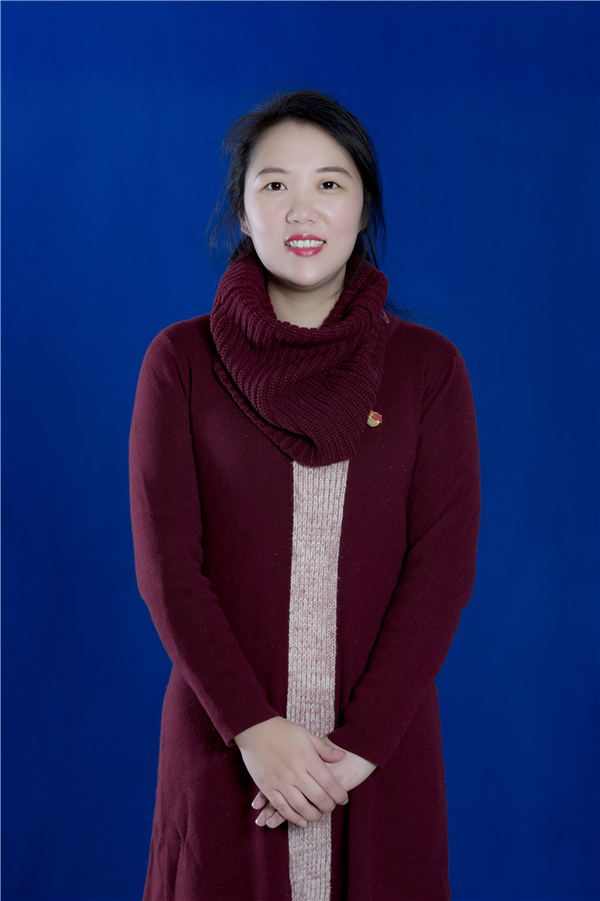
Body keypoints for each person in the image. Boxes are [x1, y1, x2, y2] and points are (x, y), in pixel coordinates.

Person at [129, 89, 480, 901]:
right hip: (225, 752)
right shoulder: (180, 363)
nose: (302, 208)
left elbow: (440, 571)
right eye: (275, 184)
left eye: (329, 183)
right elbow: (169, 570)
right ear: (242, 211)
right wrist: (255, 730)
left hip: (380, 759)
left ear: (363, 207)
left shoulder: (428, 371)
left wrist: (357, 750)